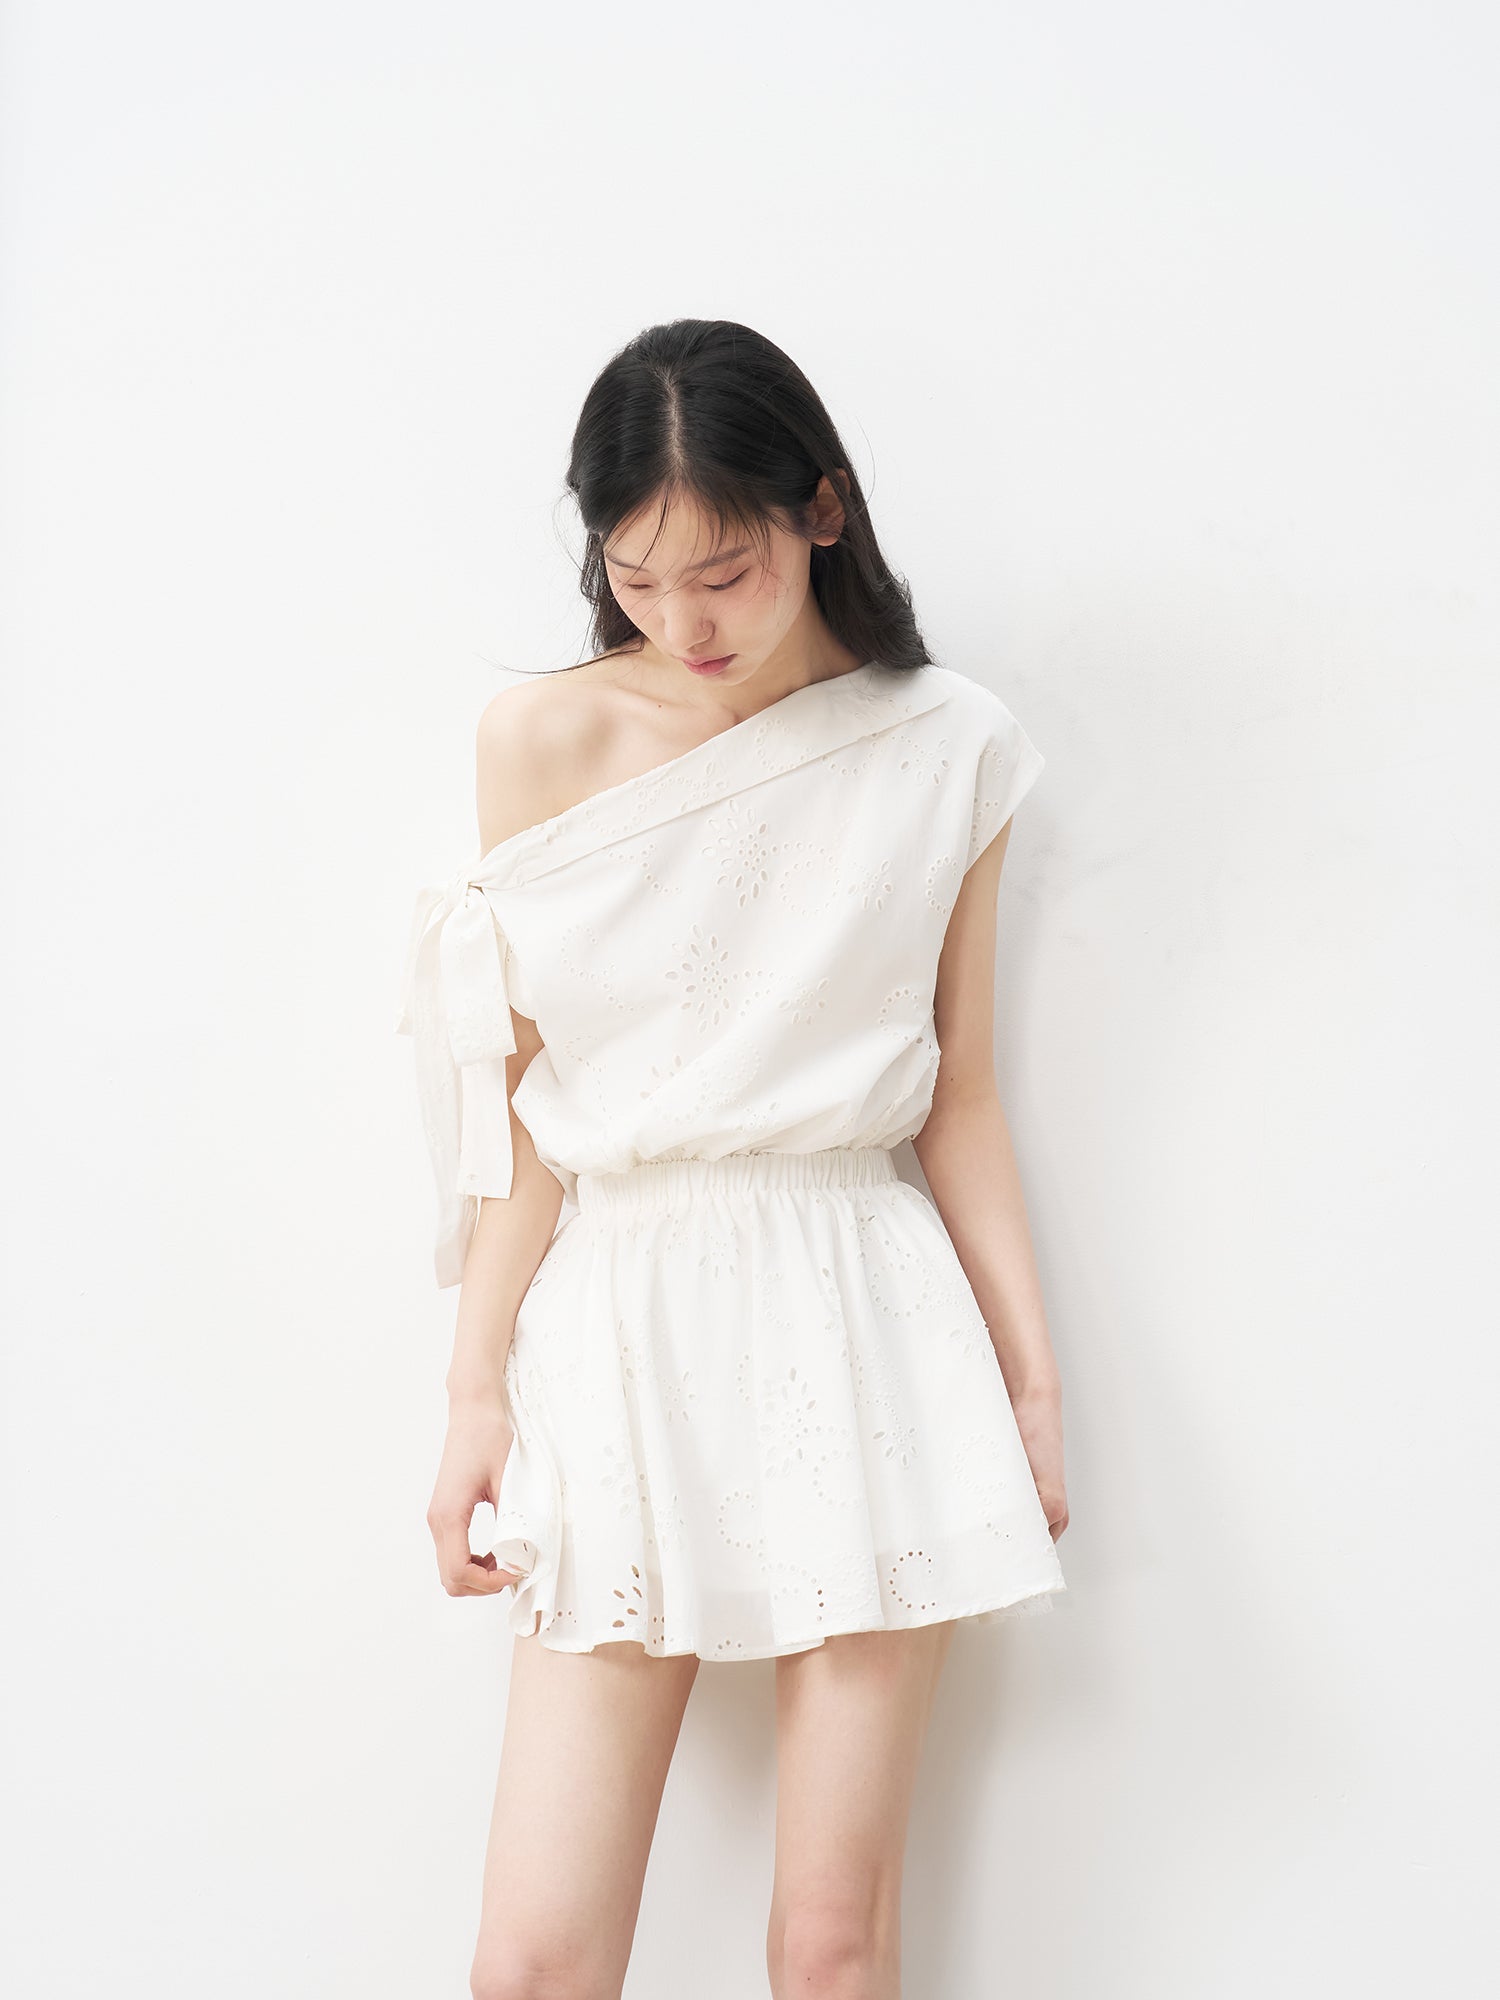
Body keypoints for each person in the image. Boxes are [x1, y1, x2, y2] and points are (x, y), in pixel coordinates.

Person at [396, 318, 1070, 2000]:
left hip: (863, 1310)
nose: (684, 626)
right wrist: (472, 1399)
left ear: (821, 511)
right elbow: (523, 1114)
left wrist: (1032, 1386)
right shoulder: (539, 742)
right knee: (532, 1964)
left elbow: (961, 1097)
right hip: (619, 1320)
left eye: (725, 573)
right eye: (637, 581)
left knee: (829, 1950)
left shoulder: (945, 742)